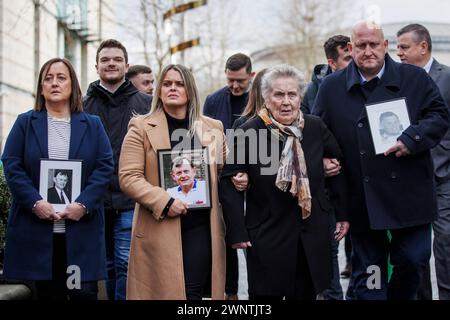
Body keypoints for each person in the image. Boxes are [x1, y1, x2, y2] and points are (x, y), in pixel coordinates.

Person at [313, 21, 449, 300]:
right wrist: (323, 160)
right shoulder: (331, 87)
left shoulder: (414, 79)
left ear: (385, 46)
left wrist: (412, 138)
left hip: (410, 195)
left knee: (414, 260)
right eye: (361, 46)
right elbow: (317, 132)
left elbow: (439, 116)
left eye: (374, 44)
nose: (368, 51)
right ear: (351, 49)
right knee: (371, 275)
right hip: (363, 200)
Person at [219, 64, 349, 300]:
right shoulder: (247, 131)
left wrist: (342, 214)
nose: (286, 101)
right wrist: (236, 231)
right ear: (267, 98)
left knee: (307, 293)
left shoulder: (315, 126)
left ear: (300, 97)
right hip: (268, 232)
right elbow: (228, 182)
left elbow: (338, 166)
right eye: (279, 94)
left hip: (310, 232)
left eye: (292, 94)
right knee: (265, 296)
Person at [119, 64, 246, 300]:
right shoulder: (140, 127)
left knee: (192, 293)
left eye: (179, 84)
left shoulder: (213, 127)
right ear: (159, 90)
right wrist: (166, 201)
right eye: (167, 84)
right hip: (159, 226)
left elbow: (224, 172)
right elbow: (129, 177)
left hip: (200, 227)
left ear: (190, 89)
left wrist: (240, 177)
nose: (173, 88)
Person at [1, 58, 114, 300]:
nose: (54, 83)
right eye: (48, 78)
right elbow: (11, 164)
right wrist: (35, 202)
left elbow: (105, 167)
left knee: (82, 294)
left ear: (72, 85)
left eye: (61, 77)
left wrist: (83, 205)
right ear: (41, 87)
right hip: (37, 233)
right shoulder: (25, 123)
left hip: (80, 231)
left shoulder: (92, 125)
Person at [84, 39, 152, 300]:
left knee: (127, 263)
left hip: (130, 200)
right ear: (97, 66)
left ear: (127, 65)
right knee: (106, 265)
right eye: (105, 60)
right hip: (94, 200)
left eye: (116, 59)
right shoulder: (83, 104)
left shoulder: (146, 104)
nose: (111, 63)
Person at [397, 23, 450, 300]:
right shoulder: (400, 80)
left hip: (443, 176)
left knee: (445, 243)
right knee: (415, 250)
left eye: (404, 47)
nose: (399, 53)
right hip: (411, 177)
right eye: (397, 48)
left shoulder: (447, 78)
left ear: (423, 47)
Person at [203, 52, 255, 299]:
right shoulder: (213, 101)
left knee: (256, 245)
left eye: (240, 81)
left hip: (256, 183)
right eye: (230, 80)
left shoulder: (262, 100)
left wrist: (250, 175)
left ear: (251, 76)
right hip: (223, 182)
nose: (235, 86)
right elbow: (204, 141)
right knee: (226, 242)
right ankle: (230, 294)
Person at [301, 35, 352, 114]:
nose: (354, 63)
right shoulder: (311, 91)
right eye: (348, 59)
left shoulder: (365, 81)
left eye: (354, 57)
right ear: (332, 63)